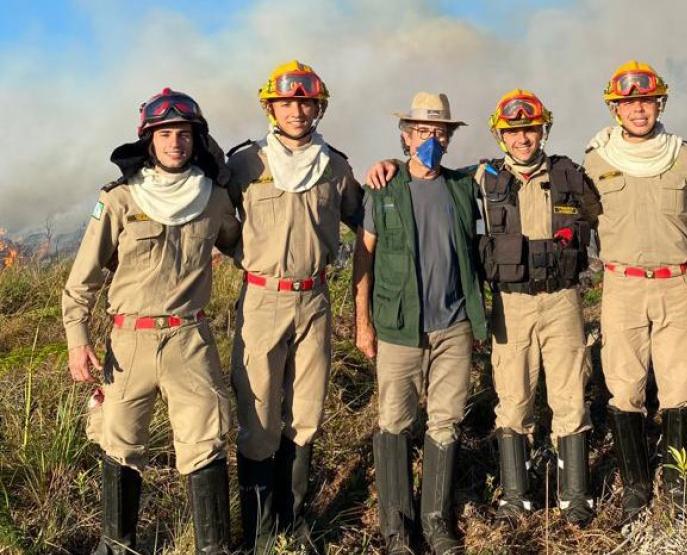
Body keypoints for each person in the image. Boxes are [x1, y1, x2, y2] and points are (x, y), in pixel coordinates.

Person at [365, 89, 600, 527]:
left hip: (563, 301)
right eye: (513, 131)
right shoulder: (483, 178)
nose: (523, 138)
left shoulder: (570, 175)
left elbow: (605, 218)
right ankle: (516, 497)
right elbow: (421, 173)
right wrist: (390, 165)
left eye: (530, 129)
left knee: (571, 395)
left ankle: (575, 496)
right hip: (511, 305)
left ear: (543, 129)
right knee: (513, 398)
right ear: (500, 135)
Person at [63, 88, 238, 554]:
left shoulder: (214, 197)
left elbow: (243, 248)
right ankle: (116, 546)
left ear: (196, 139)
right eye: (165, 134)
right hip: (130, 341)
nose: (174, 142)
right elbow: (83, 279)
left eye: (183, 133)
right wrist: (77, 340)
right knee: (119, 442)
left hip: (190, 338)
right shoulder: (121, 199)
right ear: (149, 140)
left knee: (205, 441)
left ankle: (213, 548)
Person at [226, 60, 363, 552]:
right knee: (259, 418)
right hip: (263, 299)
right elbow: (213, 221)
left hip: (315, 299)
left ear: (317, 106)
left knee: (306, 414)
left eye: (306, 102)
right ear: (271, 106)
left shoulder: (335, 166)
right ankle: (260, 534)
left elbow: (363, 219)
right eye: (287, 102)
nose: (297, 111)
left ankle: (294, 522)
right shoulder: (245, 164)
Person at [353, 92, 487, 554]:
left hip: (453, 327)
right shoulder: (383, 188)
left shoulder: (462, 187)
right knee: (394, 422)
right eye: (422, 131)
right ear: (406, 137)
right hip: (398, 327)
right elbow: (363, 256)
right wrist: (362, 323)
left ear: (449, 139)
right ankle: (396, 528)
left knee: (445, 422)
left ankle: (435, 522)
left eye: (439, 132)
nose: (431, 139)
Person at [582, 60, 687, 524]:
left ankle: (679, 486)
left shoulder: (686, 156)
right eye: (628, 102)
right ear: (615, 109)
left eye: (646, 100)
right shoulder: (596, 159)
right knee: (624, 386)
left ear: (660, 104)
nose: (638, 110)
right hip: (621, 285)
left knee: (679, 386)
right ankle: (636, 486)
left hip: (675, 284)